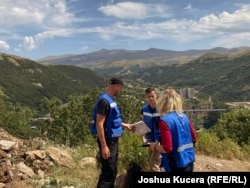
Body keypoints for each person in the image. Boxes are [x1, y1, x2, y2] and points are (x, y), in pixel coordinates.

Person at [90, 77, 134, 188]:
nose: (120, 91)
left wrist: (125, 125)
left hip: (113, 140)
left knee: (113, 170)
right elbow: (99, 124)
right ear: (116, 86)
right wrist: (104, 146)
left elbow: (112, 120)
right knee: (108, 173)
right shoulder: (104, 101)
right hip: (108, 141)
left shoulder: (110, 99)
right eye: (120, 88)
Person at [149, 88, 197, 172]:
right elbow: (194, 138)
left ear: (162, 102)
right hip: (189, 161)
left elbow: (167, 148)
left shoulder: (164, 121)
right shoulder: (184, 116)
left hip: (175, 164)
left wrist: (155, 147)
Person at [141, 87, 161, 172]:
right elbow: (142, 124)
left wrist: (160, 141)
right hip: (149, 140)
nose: (151, 98)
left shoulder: (161, 108)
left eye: (152, 96)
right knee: (155, 162)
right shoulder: (144, 109)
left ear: (156, 95)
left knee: (154, 165)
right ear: (146, 97)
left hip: (159, 141)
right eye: (149, 96)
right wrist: (143, 137)